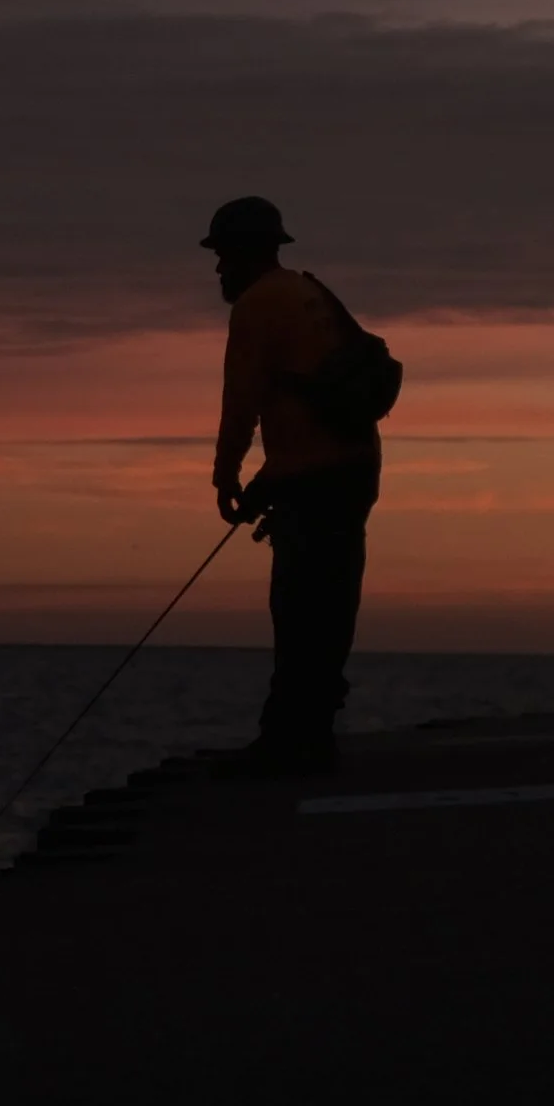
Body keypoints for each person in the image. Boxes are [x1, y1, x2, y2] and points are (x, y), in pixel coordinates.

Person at [202, 196, 383, 775]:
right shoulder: (310, 293)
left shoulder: (257, 306)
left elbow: (243, 401)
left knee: (298, 604)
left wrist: (226, 476)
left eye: (223, 255)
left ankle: (287, 740)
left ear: (245, 254)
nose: (218, 269)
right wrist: (265, 481)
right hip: (354, 466)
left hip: (313, 475)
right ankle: (311, 732)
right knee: (330, 603)